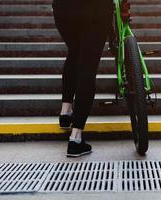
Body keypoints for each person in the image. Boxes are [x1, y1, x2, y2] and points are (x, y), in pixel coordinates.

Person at [52, 0, 113, 157]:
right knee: (87, 66)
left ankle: (65, 112)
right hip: (96, 10)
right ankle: (75, 138)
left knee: (75, 51)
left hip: (63, 10)